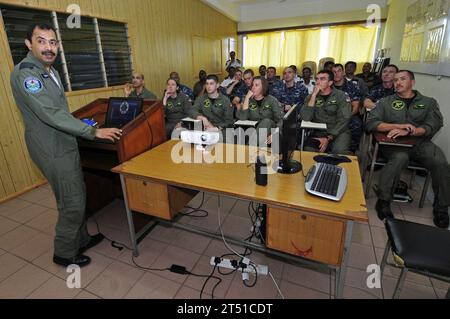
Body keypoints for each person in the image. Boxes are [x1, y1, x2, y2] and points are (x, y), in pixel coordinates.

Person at [10, 23, 122, 267]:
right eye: (41, 41)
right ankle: (64, 252)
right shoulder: (27, 74)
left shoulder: (51, 71)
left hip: (63, 140)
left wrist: (80, 125)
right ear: (29, 44)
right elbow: (50, 113)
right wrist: (92, 131)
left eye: (52, 42)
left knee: (77, 193)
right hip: (52, 147)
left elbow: (59, 110)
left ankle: (80, 239)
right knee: (71, 202)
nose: (48, 47)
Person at [366, 70, 450, 228]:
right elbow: (371, 123)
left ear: (412, 82)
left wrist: (412, 131)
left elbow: (434, 124)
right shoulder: (385, 102)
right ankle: (383, 201)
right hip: (393, 143)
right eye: (396, 80)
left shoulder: (428, 102)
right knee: (400, 158)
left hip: (420, 142)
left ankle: (441, 208)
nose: (398, 82)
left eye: (402, 79)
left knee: (440, 163)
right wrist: (396, 126)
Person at [301, 70, 352, 155]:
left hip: (339, 131)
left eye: (322, 79)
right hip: (319, 131)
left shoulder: (341, 96)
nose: (318, 82)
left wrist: (329, 138)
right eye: (317, 79)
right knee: (309, 151)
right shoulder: (310, 97)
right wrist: (313, 95)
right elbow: (306, 118)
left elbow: (344, 120)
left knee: (339, 152)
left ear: (330, 82)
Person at [237, 76, 283, 142]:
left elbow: (280, 120)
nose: (253, 88)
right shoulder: (247, 100)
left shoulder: (272, 100)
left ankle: (250, 148)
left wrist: (274, 133)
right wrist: (247, 98)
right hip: (253, 131)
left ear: (263, 87)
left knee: (266, 121)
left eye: (256, 85)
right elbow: (243, 117)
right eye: (252, 85)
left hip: (270, 130)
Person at [332, 64, 363, 153]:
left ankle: (352, 149)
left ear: (343, 72)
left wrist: (346, 118)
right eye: (334, 72)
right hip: (331, 114)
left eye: (339, 71)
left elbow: (356, 106)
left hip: (349, 114)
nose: (336, 74)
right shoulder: (328, 85)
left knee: (356, 123)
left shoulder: (352, 86)